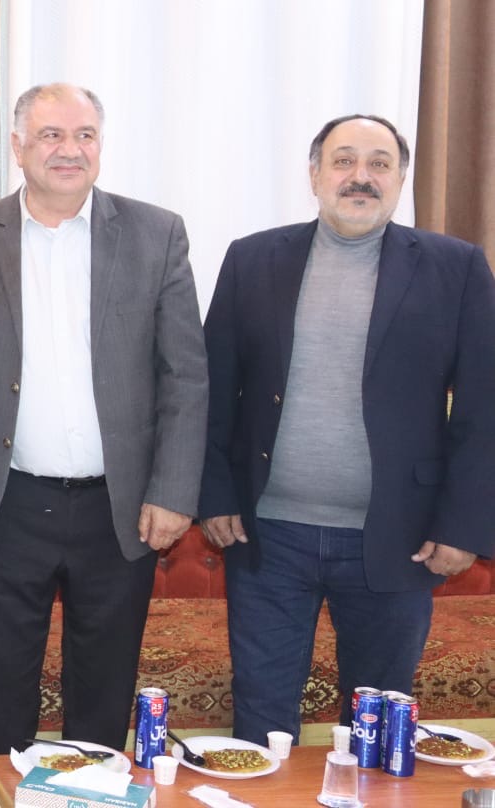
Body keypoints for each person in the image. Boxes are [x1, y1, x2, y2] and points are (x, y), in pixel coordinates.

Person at [199, 113, 495, 745]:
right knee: (260, 724)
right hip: (269, 535)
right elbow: (213, 391)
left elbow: (483, 409)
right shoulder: (253, 259)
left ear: (401, 179)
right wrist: (215, 495)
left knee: (376, 731)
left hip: (397, 537)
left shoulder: (457, 267)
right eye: (344, 161)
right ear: (314, 175)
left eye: (379, 164)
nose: (361, 176)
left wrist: (462, 527)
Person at [0, 83, 208, 807]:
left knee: (101, 698)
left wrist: (173, 491)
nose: (69, 150)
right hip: (8, 504)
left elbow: (185, 375)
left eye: (85, 135)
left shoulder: (156, 233)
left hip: (118, 509)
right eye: (50, 135)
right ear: (17, 146)